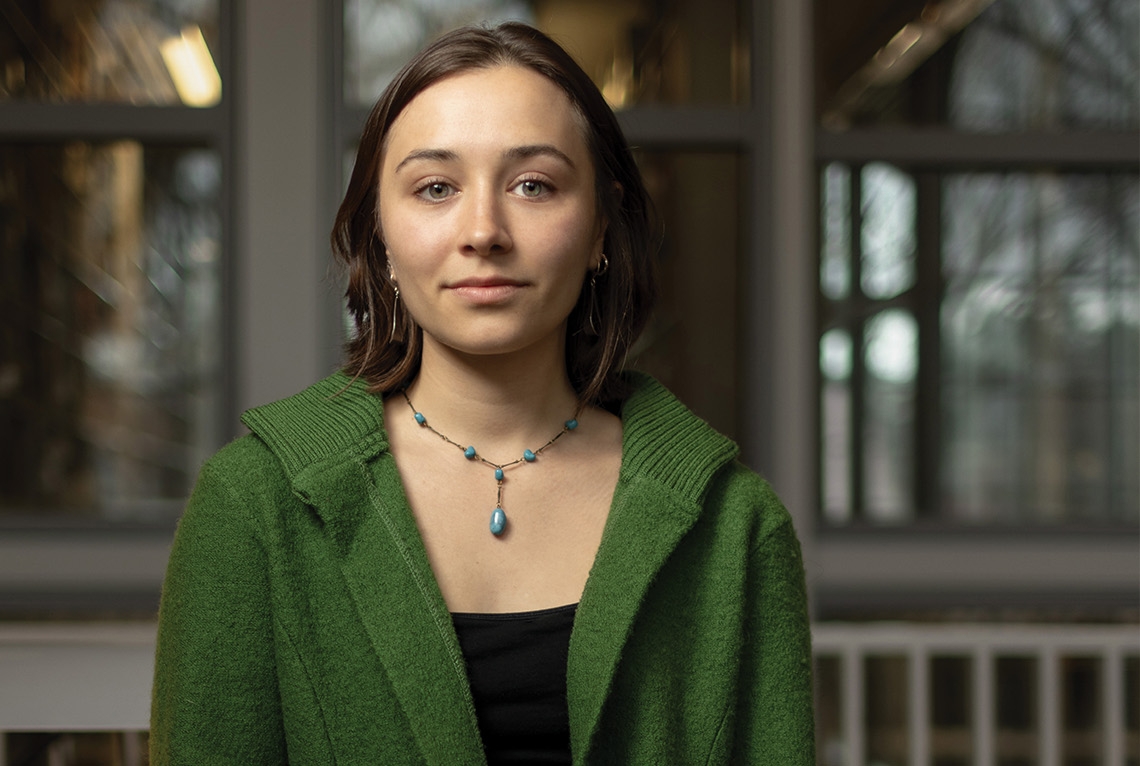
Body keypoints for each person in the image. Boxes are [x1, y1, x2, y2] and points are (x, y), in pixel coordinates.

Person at [151, 22, 813, 765]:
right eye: (435, 188)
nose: (483, 231)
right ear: (380, 234)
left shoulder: (734, 526)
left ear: (600, 224)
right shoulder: (254, 505)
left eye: (534, 184)